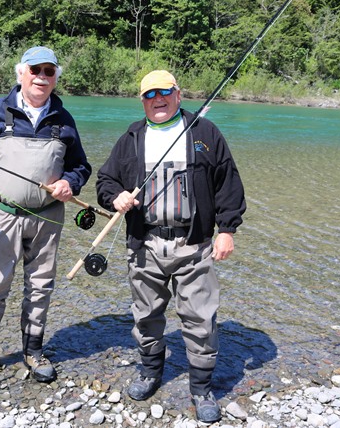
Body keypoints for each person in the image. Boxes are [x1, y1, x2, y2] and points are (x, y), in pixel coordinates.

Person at [95, 70, 246, 423]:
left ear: (178, 94)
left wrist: (227, 229)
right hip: (144, 243)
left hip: (194, 245)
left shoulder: (204, 133)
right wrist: (115, 197)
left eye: (164, 92)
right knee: (146, 315)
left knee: (201, 319)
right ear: (142, 101)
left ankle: (202, 388)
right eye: (150, 95)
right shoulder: (132, 137)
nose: (157, 99)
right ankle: (150, 371)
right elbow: (105, 180)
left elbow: (228, 183)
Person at [0, 46, 91, 389]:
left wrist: (69, 184)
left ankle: (34, 351)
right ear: (20, 73)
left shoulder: (64, 119)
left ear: (55, 77)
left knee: (40, 288)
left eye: (49, 71)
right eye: (35, 70)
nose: (41, 77)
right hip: (4, 217)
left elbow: (81, 167)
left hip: (49, 217)